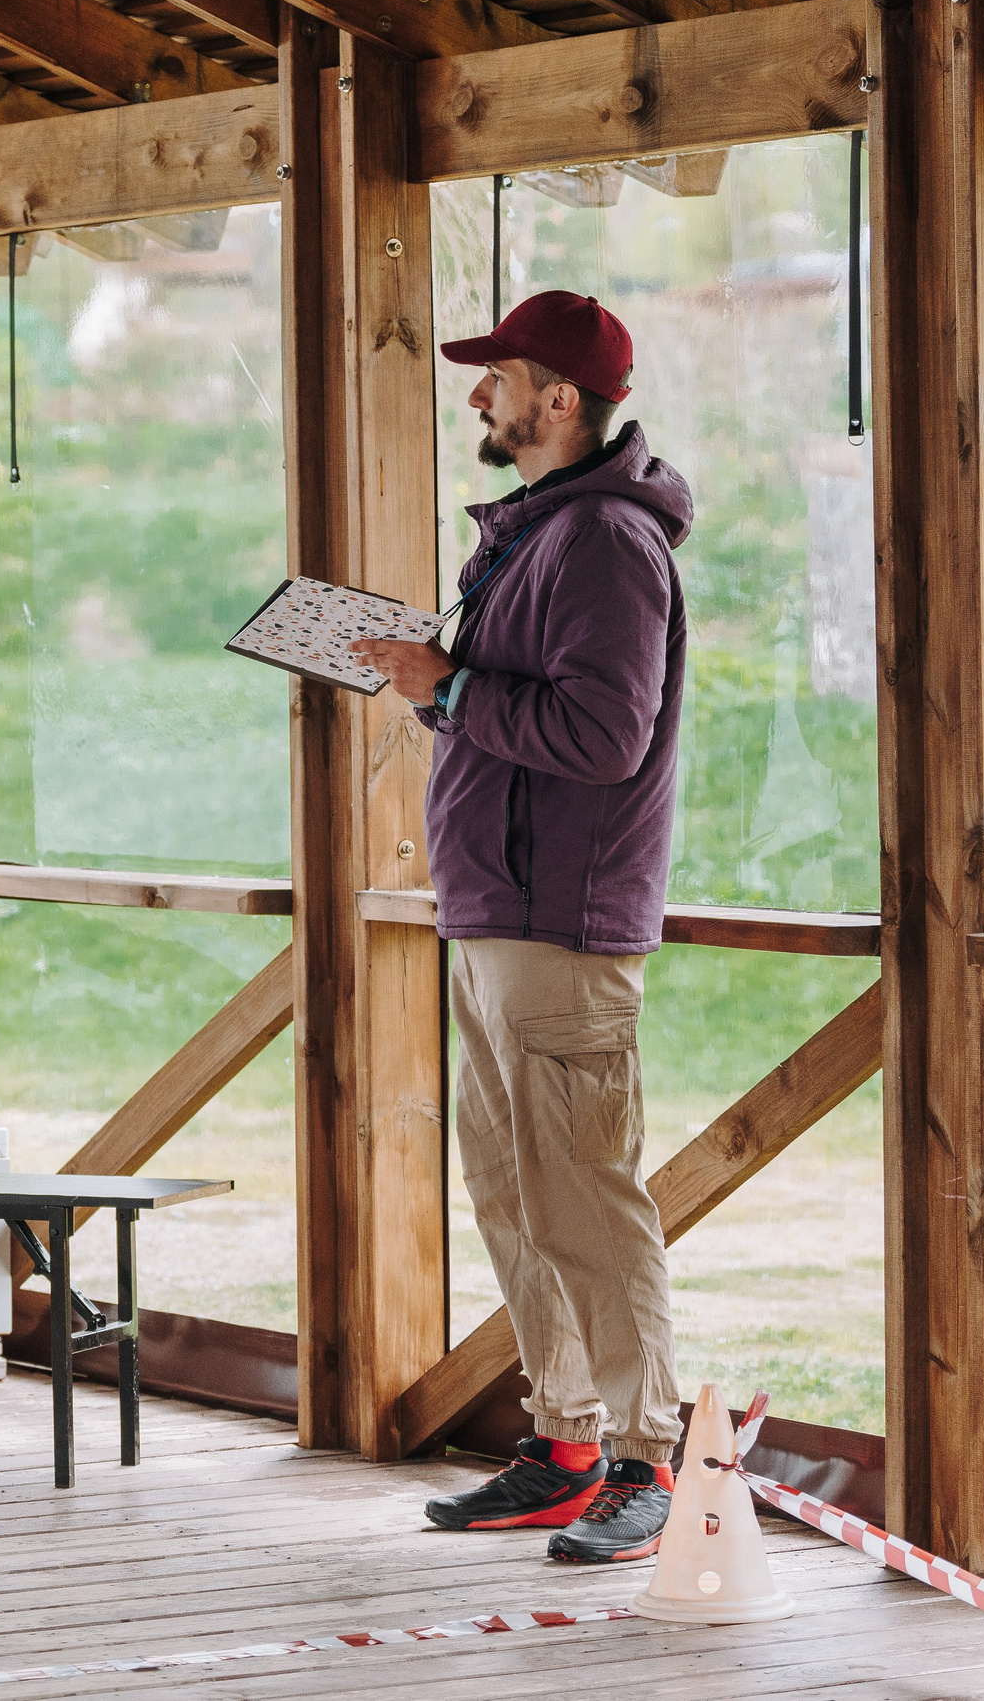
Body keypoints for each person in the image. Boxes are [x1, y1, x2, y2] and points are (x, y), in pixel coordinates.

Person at [350, 291, 693, 1566]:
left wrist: (446, 686)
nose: (476, 396)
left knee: (587, 1202)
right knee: (512, 1193)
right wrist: (443, 683)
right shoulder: (542, 532)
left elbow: (603, 737)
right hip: (500, 915)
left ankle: (649, 1463)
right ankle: (562, 1444)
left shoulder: (603, 540)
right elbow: (526, 709)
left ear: (560, 400)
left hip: (563, 924)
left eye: (496, 377)